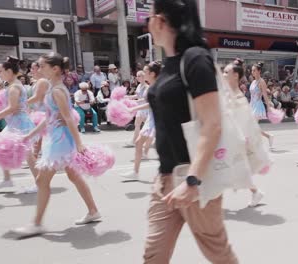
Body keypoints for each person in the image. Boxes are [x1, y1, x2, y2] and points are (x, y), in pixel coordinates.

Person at [143, 1, 239, 263]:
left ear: (159, 21)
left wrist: (192, 181)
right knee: (153, 255)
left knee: (219, 254)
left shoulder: (195, 58)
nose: (147, 24)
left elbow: (212, 124)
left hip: (194, 178)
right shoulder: (169, 64)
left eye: (148, 18)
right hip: (165, 179)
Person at [12, 53, 100, 237]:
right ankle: (93, 211)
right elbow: (50, 118)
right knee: (74, 176)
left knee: (41, 180)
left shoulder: (57, 91)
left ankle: (37, 223)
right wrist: (30, 134)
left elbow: (68, 117)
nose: (39, 69)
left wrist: (79, 144)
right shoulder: (54, 89)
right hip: (57, 138)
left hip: (60, 141)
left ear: (55, 69)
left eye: (43, 66)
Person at [0, 57, 38, 191]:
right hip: (14, 123)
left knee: (28, 155)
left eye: (1, 71)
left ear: (9, 71)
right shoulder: (12, 85)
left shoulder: (14, 87)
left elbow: (12, 108)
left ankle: (39, 183)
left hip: (20, 124)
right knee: (2, 148)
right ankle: (7, 179)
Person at [223, 58, 265, 207]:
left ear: (235, 75)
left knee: (235, 168)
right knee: (231, 168)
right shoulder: (229, 91)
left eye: (226, 72)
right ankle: (255, 192)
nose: (223, 74)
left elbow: (241, 121)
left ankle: (255, 191)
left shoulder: (238, 96)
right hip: (226, 136)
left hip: (233, 137)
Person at [121, 61, 162, 180]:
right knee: (139, 143)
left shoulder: (157, 87)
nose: (143, 74)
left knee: (165, 149)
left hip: (160, 120)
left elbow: (150, 104)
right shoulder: (153, 86)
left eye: (145, 72)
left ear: (153, 74)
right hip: (152, 119)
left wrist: (132, 108)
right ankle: (135, 172)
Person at [250, 62, 274, 150]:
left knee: (252, 126)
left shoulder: (261, 81)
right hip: (252, 105)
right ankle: (268, 136)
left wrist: (268, 107)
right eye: (252, 70)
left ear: (259, 71)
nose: (252, 72)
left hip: (257, 105)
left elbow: (264, 95)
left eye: (254, 70)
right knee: (253, 126)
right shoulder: (253, 81)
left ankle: (255, 145)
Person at [124, 71, 148, 147]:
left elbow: (145, 99)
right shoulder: (139, 86)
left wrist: (134, 101)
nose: (137, 78)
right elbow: (137, 96)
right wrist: (127, 97)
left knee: (140, 124)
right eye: (137, 76)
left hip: (145, 108)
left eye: (139, 76)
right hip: (140, 108)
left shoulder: (147, 87)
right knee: (139, 124)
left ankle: (134, 141)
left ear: (143, 77)